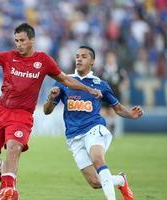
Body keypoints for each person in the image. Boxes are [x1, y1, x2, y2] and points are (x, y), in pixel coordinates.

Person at [0, 23, 102, 200]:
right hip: (1, 111)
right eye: (16, 40)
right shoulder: (9, 57)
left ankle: (8, 191)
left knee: (14, 147)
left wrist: (87, 89)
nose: (18, 44)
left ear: (32, 40)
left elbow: (65, 79)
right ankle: (8, 186)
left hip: (22, 115)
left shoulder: (44, 61)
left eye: (22, 40)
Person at [43, 46, 143, 200]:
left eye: (83, 56)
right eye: (77, 56)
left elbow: (117, 107)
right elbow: (47, 111)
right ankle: (121, 180)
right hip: (73, 137)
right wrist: (50, 97)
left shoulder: (100, 84)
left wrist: (131, 114)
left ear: (92, 61)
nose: (79, 59)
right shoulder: (63, 81)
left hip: (94, 129)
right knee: (96, 182)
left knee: (97, 159)